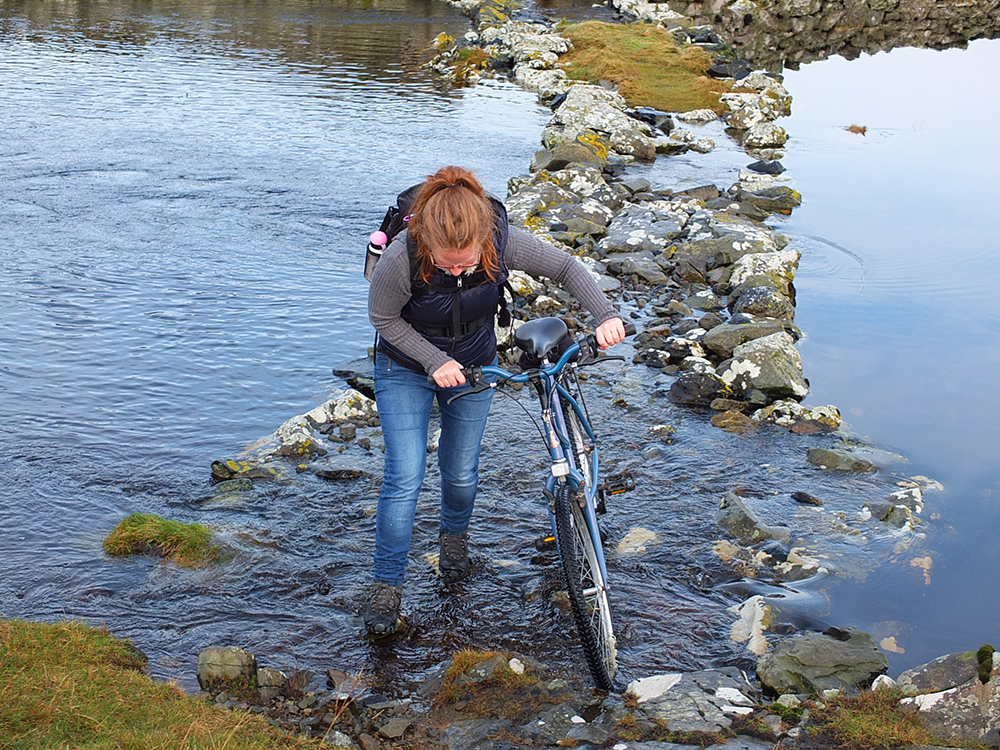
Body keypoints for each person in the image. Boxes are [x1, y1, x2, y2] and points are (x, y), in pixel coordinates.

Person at [362, 165, 625, 636]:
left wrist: (605, 313)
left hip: (476, 366)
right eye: (448, 264)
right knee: (405, 476)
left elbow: (565, 267)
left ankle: (454, 546)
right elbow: (382, 316)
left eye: (466, 262)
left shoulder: (500, 240)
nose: (458, 270)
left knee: (460, 472)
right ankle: (387, 587)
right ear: (426, 240)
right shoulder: (403, 255)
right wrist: (431, 359)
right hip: (404, 368)